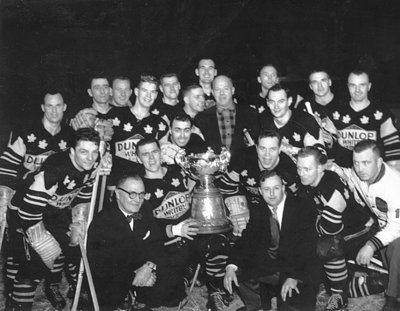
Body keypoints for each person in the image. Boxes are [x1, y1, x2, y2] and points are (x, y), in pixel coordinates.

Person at [8, 128, 102, 310]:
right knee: (33, 266)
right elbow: (29, 211)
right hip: (24, 213)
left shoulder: (95, 162)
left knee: (74, 249)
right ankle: (18, 306)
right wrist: (41, 239)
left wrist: (78, 219)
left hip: (54, 211)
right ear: (72, 151)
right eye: (83, 151)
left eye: (94, 152)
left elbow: (84, 192)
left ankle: (68, 290)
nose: (90, 158)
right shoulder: (54, 169)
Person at [0, 90, 73, 309]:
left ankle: (51, 285)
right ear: (42, 107)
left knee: (58, 246)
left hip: (53, 207)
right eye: (49, 106)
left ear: (65, 107)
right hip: (24, 205)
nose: (54, 111)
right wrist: (6, 194)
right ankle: (13, 296)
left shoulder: (70, 137)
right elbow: (7, 165)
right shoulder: (27, 133)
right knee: (21, 256)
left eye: (58, 105)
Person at [223, 171, 321, 311]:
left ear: (283, 187)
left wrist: (294, 276)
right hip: (272, 266)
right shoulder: (258, 210)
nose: (272, 194)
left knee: (290, 306)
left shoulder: (303, 207)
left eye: (276, 188)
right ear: (260, 192)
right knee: (238, 269)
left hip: (299, 267)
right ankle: (257, 305)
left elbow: (308, 246)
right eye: (267, 189)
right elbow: (246, 239)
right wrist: (231, 266)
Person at [296, 146, 379, 311]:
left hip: (361, 228)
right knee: (329, 282)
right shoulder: (308, 182)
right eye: (299, 168)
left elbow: (330, 228)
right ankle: (369, 283)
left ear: (320, 168)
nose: (301, 173)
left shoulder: (330, 185)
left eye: (307, 169)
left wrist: (316, 222)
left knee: (326, 247)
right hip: (344, 229)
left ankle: (339, 299)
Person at [87, 173, 176, 310]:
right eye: (132, 194)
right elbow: (102, 267)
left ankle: (140, 302)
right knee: (109, 295)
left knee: (171, 279)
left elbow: (156, 241)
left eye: (141, 194)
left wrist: (149, 266)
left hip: (139, 264)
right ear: (117, 193)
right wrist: (134, 276)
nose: (138, 200)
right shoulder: (103, 222)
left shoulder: (145, 208)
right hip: (113, 276)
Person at [330, 139, 400, 311]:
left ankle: (392, 298)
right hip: (380, 226)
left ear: (379, 162)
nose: (360, 168)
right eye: (356, 162)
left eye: (366, 163)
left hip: (396, 229)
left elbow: (396, 226)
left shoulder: (394, 185)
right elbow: (347, 173)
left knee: (397, 247)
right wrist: (330, 168)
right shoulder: (358, 172)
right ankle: (382, 277)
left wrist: (370, 245)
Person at [136, 137, 197, 307]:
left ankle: (189, 272)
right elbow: (146, 230)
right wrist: (176, 230)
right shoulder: (140, 187)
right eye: (145, 154)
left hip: (193, 236)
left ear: (161, 152)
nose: (151, 158)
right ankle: (183, 273)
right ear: (138, 159)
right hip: (166, 244)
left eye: (154, 152)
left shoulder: (177, 172)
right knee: (159, 300)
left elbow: (192, 189)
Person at [217, 130, 299, 228]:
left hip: (271, 213)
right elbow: (224, 188)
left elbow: (295, 203)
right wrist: (237, 210)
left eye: (272, 149)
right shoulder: (243, 158)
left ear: (280, 149)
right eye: (262, 148)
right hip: (244, 207)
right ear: (256, 148)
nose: (267, 155)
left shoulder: (289, 169)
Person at [330, 69, 400, 170]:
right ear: (348, 86)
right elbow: (328, 147)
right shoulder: (336, 114)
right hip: (343, 174)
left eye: (362, 85)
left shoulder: (381, 114)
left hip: (373, 176)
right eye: (353, 85)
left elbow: (394, 152)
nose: (357, 90)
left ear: (369, 86)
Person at [109, 75, 169, 186]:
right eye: (145, 90)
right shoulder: (116, 115)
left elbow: (163, 156)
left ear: (156, 94)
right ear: (136, 91)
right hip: (116, 182)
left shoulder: (160, 124)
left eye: (152, 92)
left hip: (145, 185)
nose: (148, 95)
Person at [195, 75, 259, 159]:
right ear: (213, 92)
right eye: (218, 89)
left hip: (244, 169)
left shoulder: (250, 114)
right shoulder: (201, 118)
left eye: (226, 89)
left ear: (232, 90)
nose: (222, 93)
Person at [259, 84, 323, 160]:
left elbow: (318, 155)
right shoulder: (263, 120)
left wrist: (287, 148)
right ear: (268, 103)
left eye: (281, 101)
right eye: (272, 102)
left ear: (289, 101)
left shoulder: (305, 119)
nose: (276, 106)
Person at [296, 69, 343, 154]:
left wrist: (335, 134)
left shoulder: (344, 103)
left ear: (330, 82)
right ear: (310, 86)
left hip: (342, 159)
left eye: (323, 80)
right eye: (314, 82)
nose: (319, 86)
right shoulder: (303, 106)